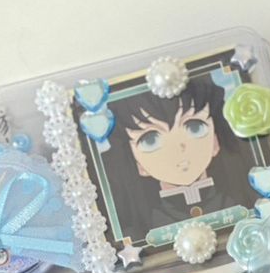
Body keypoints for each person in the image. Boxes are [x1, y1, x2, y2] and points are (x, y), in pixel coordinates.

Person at [104, 73, 258, 240]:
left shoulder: (238, 204)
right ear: (137, 163)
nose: (178, 148)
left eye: (194, 127)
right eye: (151, 140)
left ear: (215, 141)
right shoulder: (147, 227)